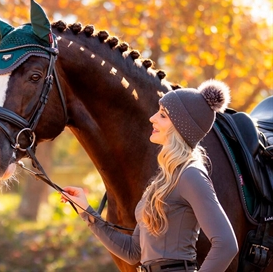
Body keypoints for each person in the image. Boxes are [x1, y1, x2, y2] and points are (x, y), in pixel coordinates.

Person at [60, 79, 238, 272]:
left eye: (162, 115)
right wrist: (86, 210)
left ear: (180, 125)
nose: (152, 118)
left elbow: (226, 245)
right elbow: (133, 252)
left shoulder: (191, 175)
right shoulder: (163, 179)